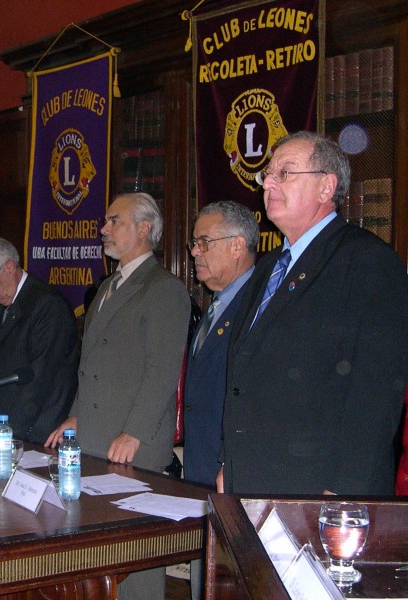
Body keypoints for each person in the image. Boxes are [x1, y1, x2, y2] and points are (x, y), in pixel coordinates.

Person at [218, 131, 408, 496]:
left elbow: (376, 391)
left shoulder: (366, 262)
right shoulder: (268, 267)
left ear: (326, 187)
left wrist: (343, 491)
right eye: (267, 175)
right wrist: (231, 462)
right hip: (252, 478)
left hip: (319, 487)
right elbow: (244, 374)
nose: (269, 183)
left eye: (285, 173)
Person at [46, 192, 190, 600]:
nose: (104, 230)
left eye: (114, 221)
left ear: (144, 228)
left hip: (131, 445)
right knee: (95, 558)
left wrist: (135, 433)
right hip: (93, 438)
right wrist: (74, 416)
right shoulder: (109, 286)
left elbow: (162, 372)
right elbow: (89, 365)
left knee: (133, 563)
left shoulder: (163, 288)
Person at [183, 201, 257, 600]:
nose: (194, 251)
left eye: (203, 242)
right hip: (203, 470)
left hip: (233, 475)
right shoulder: (215, 305)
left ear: (237, 245)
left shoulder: (258, 305)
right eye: (195, 243)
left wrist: (231, 461)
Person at [0, 236, 78, 445]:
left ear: (10, 267)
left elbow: (39, 379)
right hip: (1, 428)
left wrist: (5, 427)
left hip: (35, 432)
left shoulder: (47, 305)